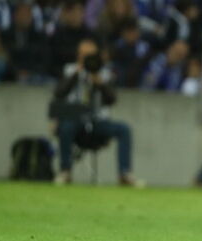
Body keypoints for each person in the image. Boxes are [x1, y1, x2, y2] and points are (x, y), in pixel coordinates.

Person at [52, 39, 139, 187]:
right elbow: (59, 93)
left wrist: (100, 83)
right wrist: (76, 74)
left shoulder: (104, 74)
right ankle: (65, 171)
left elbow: (112, 100)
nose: (87, 59)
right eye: (84, 55)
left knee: (124, 129)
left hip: (98, 121)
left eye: (90, 55)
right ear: (78, 55)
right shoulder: (70, 70)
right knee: (65, 127)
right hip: (75, 119)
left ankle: (125, 173)